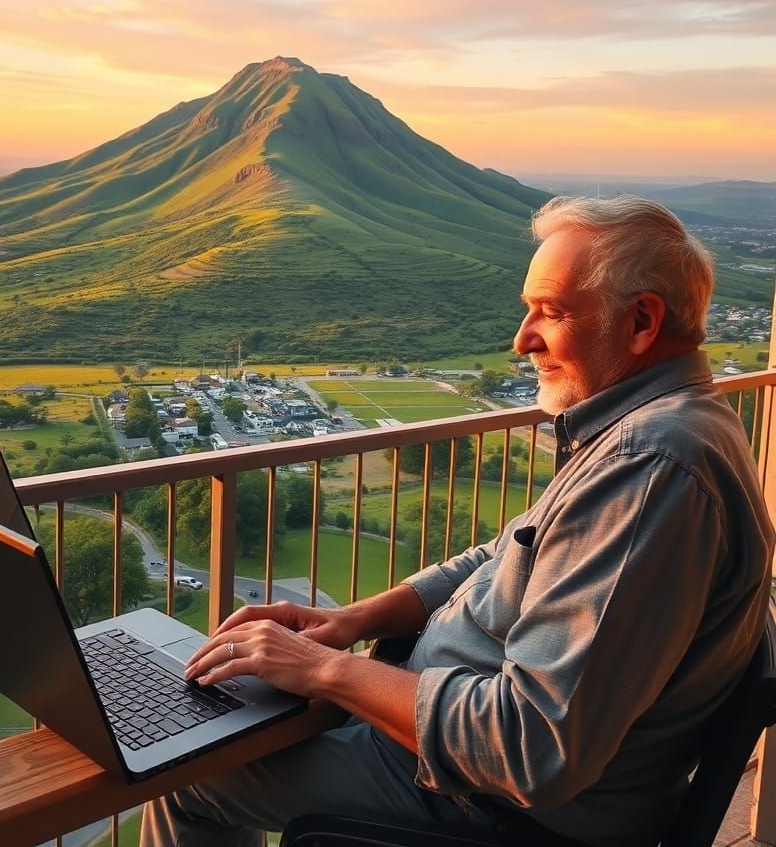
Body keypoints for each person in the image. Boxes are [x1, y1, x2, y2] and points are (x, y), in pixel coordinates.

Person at [141, 195, 775, 847]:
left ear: (642, 321)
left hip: (493, 808)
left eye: (550, 313)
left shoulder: (652, 467)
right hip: (458, 758)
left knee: (185, 777)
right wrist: (353, 621)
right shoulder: (658, 428)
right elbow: (501, 555)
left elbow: (532, 751)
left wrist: (322, 668)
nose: (522, 339)